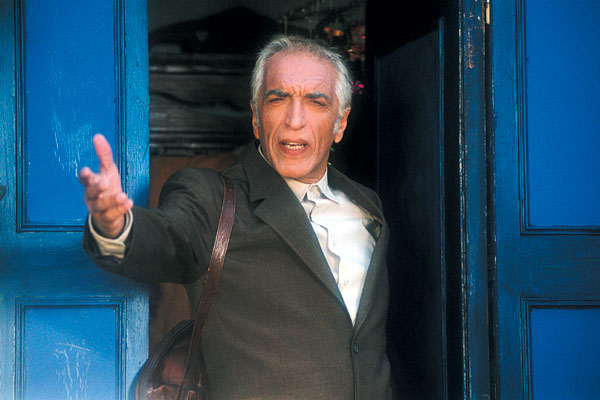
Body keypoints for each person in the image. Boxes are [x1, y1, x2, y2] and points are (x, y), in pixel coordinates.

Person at [79, 35, 391, 399]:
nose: (294, 120)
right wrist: (116, 226)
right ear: (257, 119)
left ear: (340, 123)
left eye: (315, 102)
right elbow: (168, 236)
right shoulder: (212, 197)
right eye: (277, 100)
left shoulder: (366, 206)